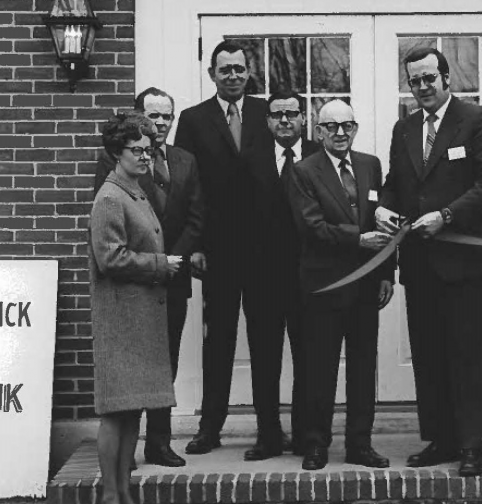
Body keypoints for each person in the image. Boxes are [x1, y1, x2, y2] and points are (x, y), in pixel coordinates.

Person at [376, 47, 482, 477]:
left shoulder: (477, 120)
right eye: (415, 81)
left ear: (447, 78)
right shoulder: (405, 128)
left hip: (466, 264)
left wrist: (446, 216)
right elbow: (396, 184)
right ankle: (441, 438)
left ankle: (472, 446)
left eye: (430, 78)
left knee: (467, 357)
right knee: (429, 356)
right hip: (421, 264)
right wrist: (383, 209)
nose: (423, 87)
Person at [174, 41, 290, 460]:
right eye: (225, 70)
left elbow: (289, 171)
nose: (234, 76)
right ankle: (210, 428)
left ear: (249, 72)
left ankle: (270, 430)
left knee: (266, 343)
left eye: (240, 69)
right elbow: (187, 186)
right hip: (218, 252)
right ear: (212, 74)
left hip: (267, 253)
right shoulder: (193, 120)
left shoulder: (268, 113)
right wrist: (196, 246)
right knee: (218, 343)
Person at [94, 88, 203, 468]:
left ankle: (160, 442)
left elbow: (196, 216)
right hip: (136, 282)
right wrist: (155, 259)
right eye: (153, 116)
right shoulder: (116, 165)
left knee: (164, 364)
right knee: (133, 368)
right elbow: (113, 228)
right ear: (139, 117)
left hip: (173, 277)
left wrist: (174, 258)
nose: (160, 124)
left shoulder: (185, 160)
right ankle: (128, 448)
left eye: (166, 117)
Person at [286, 100, 394, 471]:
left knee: (363, 369)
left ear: (356, 128)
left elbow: (385, 221)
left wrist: (385, 273)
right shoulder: (303, 171)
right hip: (324, 286)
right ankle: (316, 445)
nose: (340, 133)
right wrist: (358, 240)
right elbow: (310, 226)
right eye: (331, 127)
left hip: (366, 286)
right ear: (318, 132)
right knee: (320, 369)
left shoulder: (370, 165)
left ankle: (360, 446)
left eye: (346, 125)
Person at [90, 111, 183, 504]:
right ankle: (111, 495)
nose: (145, 157)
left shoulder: (136, 191)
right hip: (121, 319)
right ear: (116, 152)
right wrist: (162, 265)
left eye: (149, 149)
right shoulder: (110, 197)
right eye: (137, 150)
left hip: (139, 317)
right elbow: (110, 258)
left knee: (132, 411)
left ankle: (125, 494)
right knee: (116, 412)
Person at [255, 90, 322, 456]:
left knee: (307, 361)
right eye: (277, 115)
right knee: (265, 361)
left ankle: (303, 435)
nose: (284, 120)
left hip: (308, 276)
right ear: (267, 121)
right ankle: (267, 436)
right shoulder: (251, 158)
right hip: (263, 280)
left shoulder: (318, 156)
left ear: (303, 119)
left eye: (291, 114)